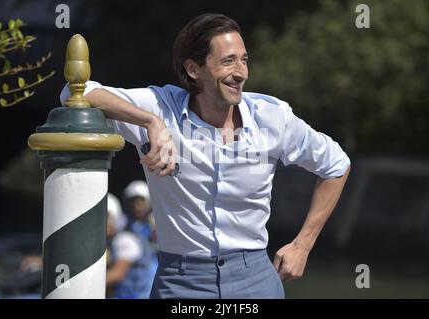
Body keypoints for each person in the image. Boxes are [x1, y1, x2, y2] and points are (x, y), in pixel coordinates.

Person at [61, 13, 350, 299]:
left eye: (244, 59)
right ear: (193, 69)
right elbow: (76, 91)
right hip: (180, 283)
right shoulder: (160, 108)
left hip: (256, 281)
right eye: (228, 61)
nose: (241, 72)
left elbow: (336, 166)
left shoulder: (273, 118)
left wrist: (303, 245)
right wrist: (150, 122)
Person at [106, 193, 157, 299]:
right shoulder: (111, 242)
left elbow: (117, 274)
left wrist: (83, 285)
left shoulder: (124, 240)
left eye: (105, 217)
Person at [123, 180, 157, 245]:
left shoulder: (156, 222)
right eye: (134, 203)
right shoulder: (124, 222)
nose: (137, 208)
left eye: (141, 203)